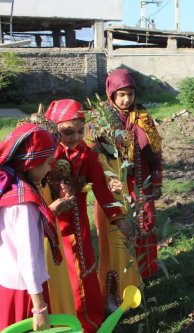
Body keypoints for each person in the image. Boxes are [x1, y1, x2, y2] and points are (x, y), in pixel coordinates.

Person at [43, 99, 128, 333]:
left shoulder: (86, 155)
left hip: (78, 226)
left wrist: (118, 218)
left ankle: (89, 321)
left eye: (81, 131)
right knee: (57, 274)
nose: (76, 137)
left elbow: (101, 188)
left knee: (84, 268)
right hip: (50, 226)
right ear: (53, 128)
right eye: (68, 132)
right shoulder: (44, 154)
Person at [0, 123, 61, 331]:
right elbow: (28, 257)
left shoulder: (8, 189)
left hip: (8, 281)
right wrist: (39, 307)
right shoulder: (25, 204)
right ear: (30, 164)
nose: (50, 168)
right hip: (26, 290)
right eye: (47, 163)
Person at [105, 69, 163, 280]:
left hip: (142, 181)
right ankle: (124, 276)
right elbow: (96, 157)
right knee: (122, 228)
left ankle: (146, 271)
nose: (126, 99)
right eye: (121, 94)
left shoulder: (143, 117)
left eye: (130, 94)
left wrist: (156, 181)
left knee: (146, 222)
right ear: (111, 94)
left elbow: (155, 151)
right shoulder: (103, 120)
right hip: (116, 187)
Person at [87, 103, 143, 312]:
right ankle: (112, 294)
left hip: (124, 202)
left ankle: (129, 289)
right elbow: (98, 181)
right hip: (108, 207)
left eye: (117, 131)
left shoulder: (118, 151)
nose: (116, 137)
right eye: (109, 132)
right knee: (113, 248)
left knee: (126, 246)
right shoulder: (97, 156)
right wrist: (109, 182)